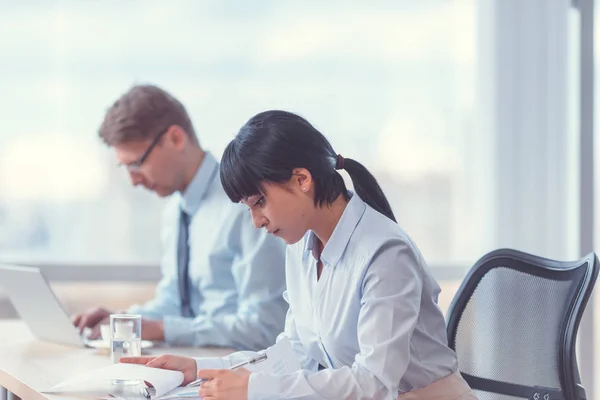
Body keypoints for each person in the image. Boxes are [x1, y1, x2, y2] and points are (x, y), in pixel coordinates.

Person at [121, 110, 475, 400]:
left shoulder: (385, 254)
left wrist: (255, 390)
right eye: (248, 208)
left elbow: (375, 384)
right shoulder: (302, 247)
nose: (257, 221)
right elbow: (295, 354)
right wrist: (198, 369)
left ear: (302, 179)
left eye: (259, 202)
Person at [72, 86, 287, 350]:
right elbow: (175, 301)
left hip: (236, 368)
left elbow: (266, 326)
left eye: (136, 164)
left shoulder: (245, 206)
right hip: (190, 362)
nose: (133, 180)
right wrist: (124, 319)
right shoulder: (176, 209)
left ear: (175, 139)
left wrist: (162, 329)